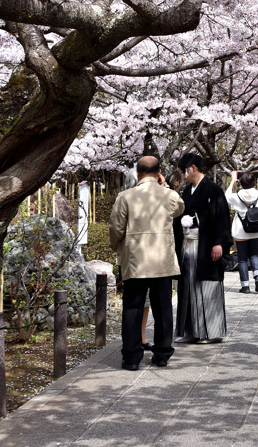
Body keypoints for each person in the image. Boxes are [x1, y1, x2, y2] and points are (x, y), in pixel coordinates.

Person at [108, 156, 184, 370]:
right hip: (162, 261)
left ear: (138, 173)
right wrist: (164, 184)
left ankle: (131, 358)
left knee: (132, 308)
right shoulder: (170, 195)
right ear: (159, 172)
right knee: (163, 310)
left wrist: (117, 247)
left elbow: (116, 229)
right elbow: (179, 209)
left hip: (135, 260)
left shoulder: (125, 197)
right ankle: (162, 354)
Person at [175, 152, 232, 344]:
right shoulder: (187, 191)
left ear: (193, 168)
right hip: (188, 243)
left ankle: (210, 332)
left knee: (206, 286)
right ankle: (191, 331)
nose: (184, 175)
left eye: (185, 170)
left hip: (206, 244)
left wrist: (219, 243)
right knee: (188, 286)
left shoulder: (213, 189)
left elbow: (222, 217)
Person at [226, 170, 258, 294]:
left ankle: (245, 286)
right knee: (254, 255)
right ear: (254, 182)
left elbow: (226, 196)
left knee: (242, 258)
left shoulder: (236, 196)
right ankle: (257, 277)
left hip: (241, 230)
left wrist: (232, 181)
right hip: (256, 230)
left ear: (241, 182)